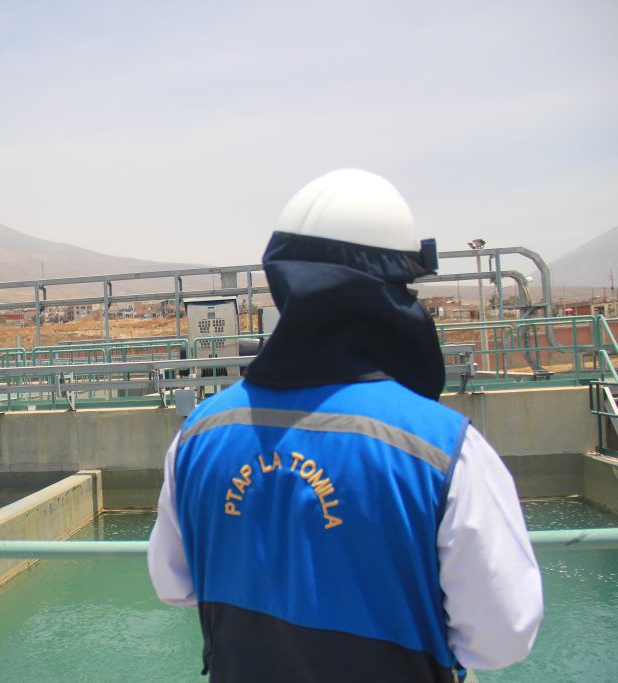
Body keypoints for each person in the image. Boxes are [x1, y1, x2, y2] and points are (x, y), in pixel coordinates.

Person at [147, 169, 543, 682]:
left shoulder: (197, 435)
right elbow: (503, 636)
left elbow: (172, 584)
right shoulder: (443, 449)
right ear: (389, 290)